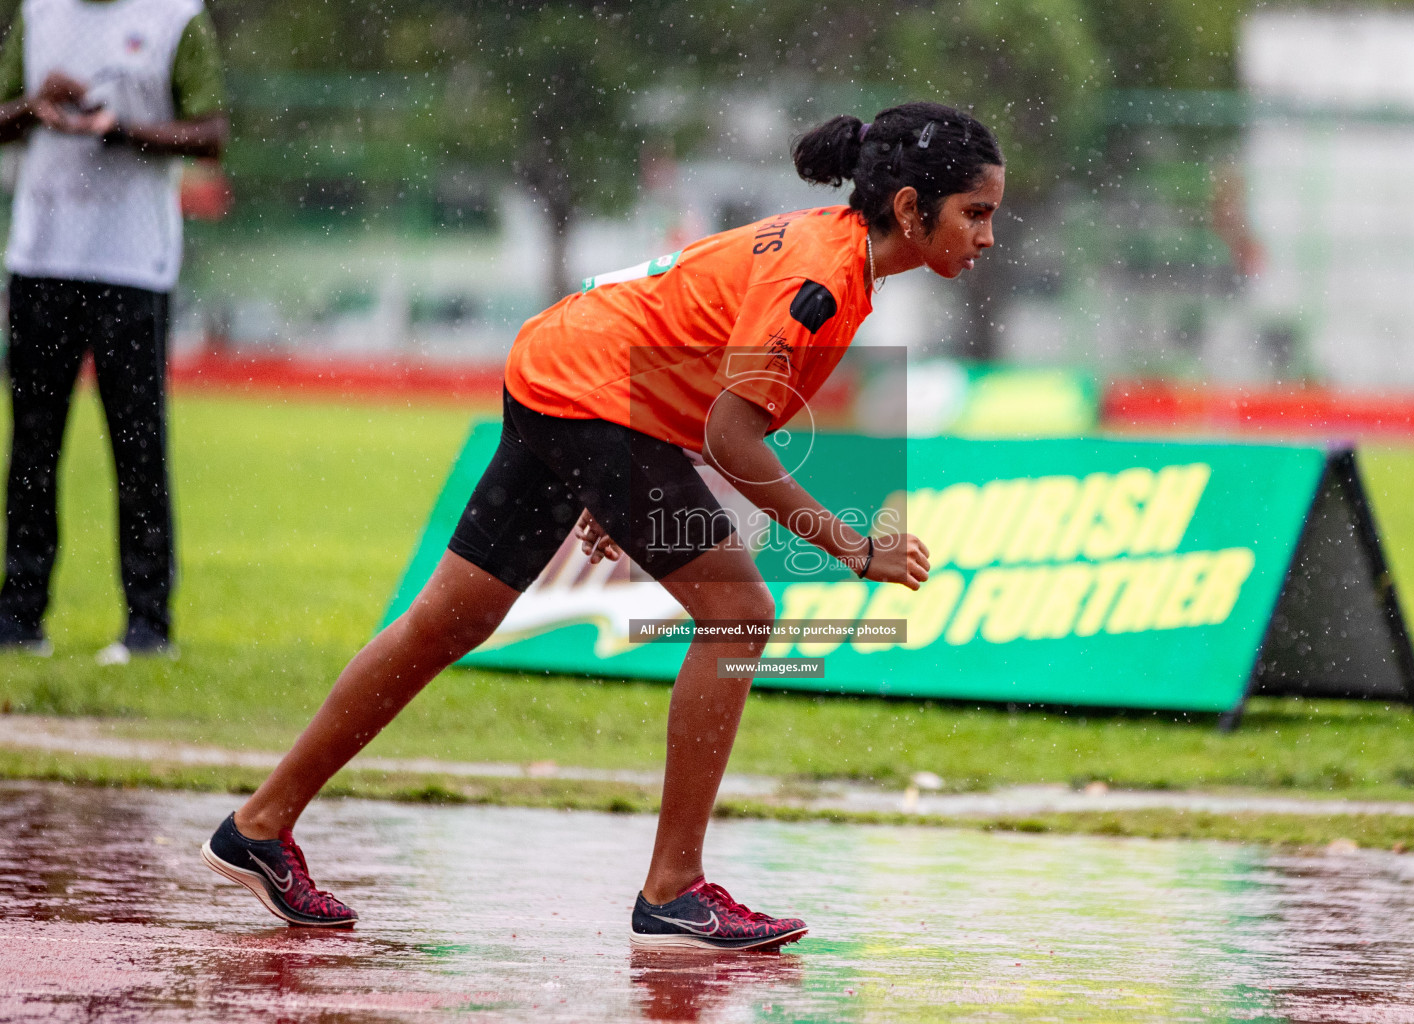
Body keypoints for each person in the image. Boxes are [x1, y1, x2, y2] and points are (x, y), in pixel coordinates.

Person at [202, 101, 1005, 949]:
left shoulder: (834, 253)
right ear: (912, 208)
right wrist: (851, 546)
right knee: (741, 615)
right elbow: (732, 433)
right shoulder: (822, 281)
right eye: (976, 214)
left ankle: (258, 827)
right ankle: (673, 891)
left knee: (453, 620)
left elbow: (697, 371)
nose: (988, 237)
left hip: (561, 370)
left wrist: (616, 481)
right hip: (588, 393)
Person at [0, 0, 228, 661]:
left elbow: (211, 134)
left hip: (132, 264)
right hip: (42, 258)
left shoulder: (175, 17)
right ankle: (19, 618)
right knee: (32, 450)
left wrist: (124, 130)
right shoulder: (39, 13)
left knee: (138, 449)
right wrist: (33, 107)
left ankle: (148, 625)